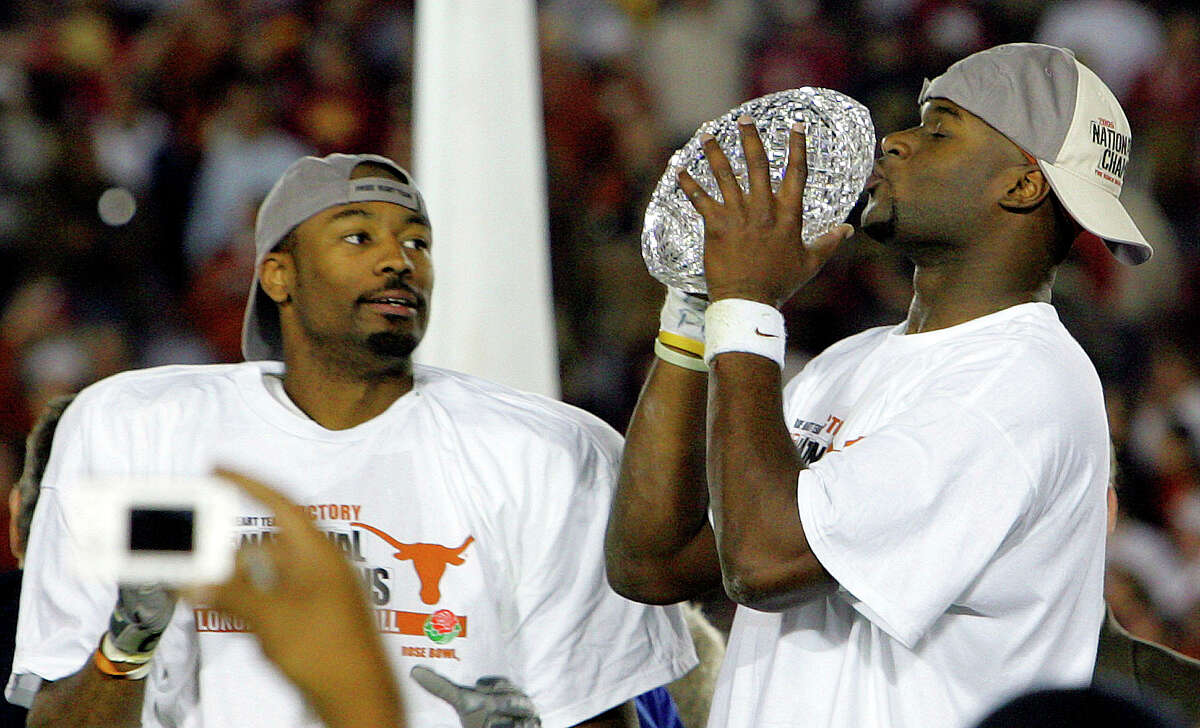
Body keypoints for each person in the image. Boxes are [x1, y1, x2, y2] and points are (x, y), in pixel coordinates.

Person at [9, 152, 696, 727]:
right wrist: (126, 645)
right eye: (358, 236)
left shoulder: (548, 455)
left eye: (417, 242)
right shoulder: (143, 432)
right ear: (278, 274)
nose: (399, 260)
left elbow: (597, 711)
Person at [605, 42, 1152, 727]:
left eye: (939, 129)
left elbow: (763, 561)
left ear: (1021, 184)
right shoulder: (848, 363)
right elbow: (651, 564)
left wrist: (745, 306)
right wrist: (695, 308)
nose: (895, 142)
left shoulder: (1024, 384)